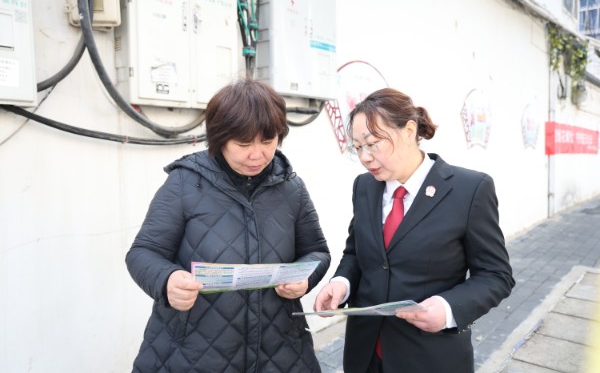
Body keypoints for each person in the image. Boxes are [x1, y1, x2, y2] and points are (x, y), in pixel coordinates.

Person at [126, 78, 331, 373]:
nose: (257, 154)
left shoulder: (292, 187)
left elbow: (317, 251)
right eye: (243, 144)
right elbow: (143, 252)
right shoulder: (185, 182)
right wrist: (167, 280)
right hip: (193, 353)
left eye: (268, 141)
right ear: (219, 138)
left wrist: (304, 278)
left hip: (279, 349)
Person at [314, 88, 515, 373]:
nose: (365, 157)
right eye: (357, 147)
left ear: (409, 131)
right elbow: (356, 252)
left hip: (429, 358)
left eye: (373, 144)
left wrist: (447, 308)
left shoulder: (469, 189)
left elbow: (496, 275)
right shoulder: (365, 186)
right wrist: (342, 283)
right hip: (365, 355)